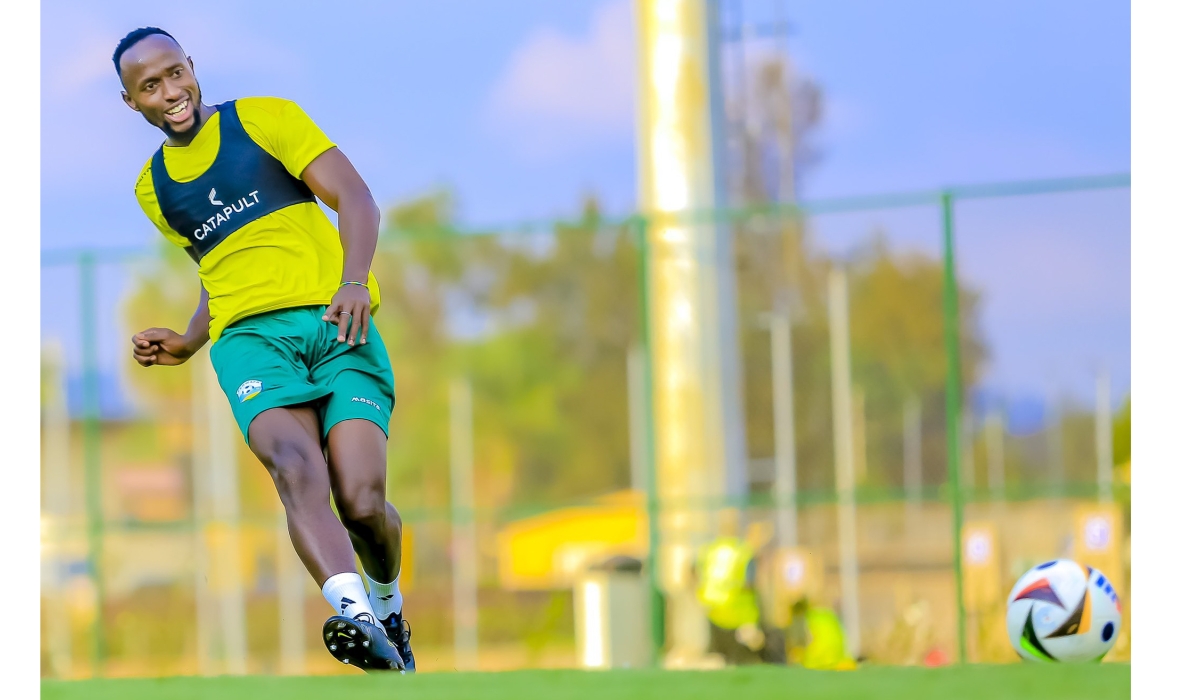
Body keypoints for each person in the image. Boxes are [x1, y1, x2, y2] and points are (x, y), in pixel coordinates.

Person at [114, 26, 414, 673]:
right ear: (130, 102)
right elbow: (222, 273)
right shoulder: (154, 190)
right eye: (149, 87)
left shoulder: (264, 120)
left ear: (191, 67)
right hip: (249, 343)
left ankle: (387, 606)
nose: (170, 92)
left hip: (339, 324)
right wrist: (191, 339)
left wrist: (354, 281)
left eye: (173, 73)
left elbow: (355, 198)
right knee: (292, 466)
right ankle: (358, 623)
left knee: (362, 502)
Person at [695, 536, 787, 665]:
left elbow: (694, 575)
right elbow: (750, 583)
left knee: (722, 659)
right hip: (741, 618)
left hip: (714, 613)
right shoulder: (745, 554)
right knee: (742, 660)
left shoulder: (710, 551)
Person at [786, 597, 857, 670]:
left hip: (816, 665)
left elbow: (799, 643)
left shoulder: (805, 619)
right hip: (838, 663)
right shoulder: (829, 616)